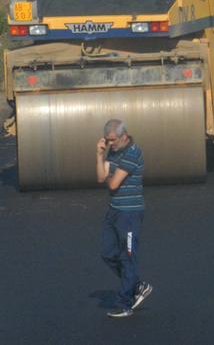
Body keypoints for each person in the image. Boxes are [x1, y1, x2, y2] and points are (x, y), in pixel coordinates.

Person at [96, 119, 152, 318]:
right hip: (114, 211)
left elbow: (113, 184)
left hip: (130, 214)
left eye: (113, 140)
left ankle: (125, 304)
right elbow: (101, 177)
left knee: (127, 257)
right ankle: (137, 285)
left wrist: (109, 172)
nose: (110, 144)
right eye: (108, 140)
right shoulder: (113, 150)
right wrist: (100, 154)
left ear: (124, 136)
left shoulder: (133, 153)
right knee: (107, 253)